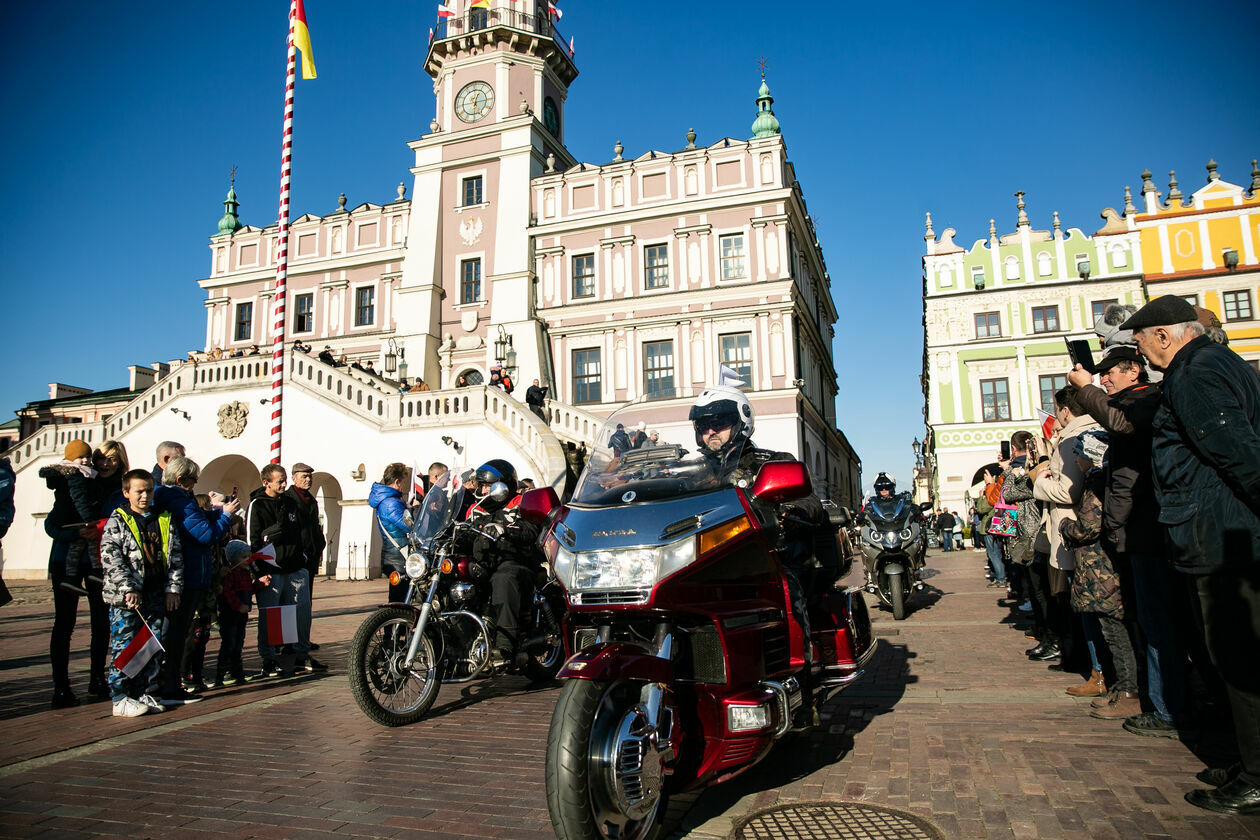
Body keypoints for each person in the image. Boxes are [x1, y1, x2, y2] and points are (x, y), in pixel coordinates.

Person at [1122, 295, 1260, 814]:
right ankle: (1245, 758)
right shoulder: (1223, 362)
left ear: (1164, 335)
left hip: (1219, 534)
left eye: (1141, 340)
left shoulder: (1194, 373)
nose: (1139, 350)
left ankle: (1257, 775)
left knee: (1239, 658)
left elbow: (1238, 452)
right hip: (1220, 528)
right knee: (1230, 656)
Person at [688, 385, 828, 722]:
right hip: (702, 564)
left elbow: (809, 502)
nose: (710, 431)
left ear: (741, 422)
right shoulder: (689, 473)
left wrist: (789, 512)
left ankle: (801, 691)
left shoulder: (772, 462)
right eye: (704, 425)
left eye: (719, 422)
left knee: (787, 592)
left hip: (763, 562)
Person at [1068, 344, 1187, 734]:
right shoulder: (1134, 402)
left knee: (1154, 623)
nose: (1104, 378)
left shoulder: (1144, 400)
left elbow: (1120, 423)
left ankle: (1165, 706)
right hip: (1132, 530)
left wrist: (1086, 388)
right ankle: (1151, 698)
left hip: (1145, 528)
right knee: (1141, 620)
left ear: (1134, 371)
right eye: (1100, 374)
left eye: (1110, 373)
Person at [1059, 430, 1140, 721]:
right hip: (1104, 567)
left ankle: (1129, 691)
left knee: (1115, 632)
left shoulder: (1096, 482)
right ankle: (1123, 688)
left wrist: (1066, 526)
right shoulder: (1102, 480)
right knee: (1116, 631)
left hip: (1101, 570)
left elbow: (1088, 526)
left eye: (1079, 453)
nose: (1076, 459)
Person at [100, 469, 184, 717]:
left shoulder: (164, 518)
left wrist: (173, 588)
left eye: (149, 490)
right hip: (127, 598)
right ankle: (120, 696)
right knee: (125, 646)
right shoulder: (118, 520)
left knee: (151, 645)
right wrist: (128, 588)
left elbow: (175, 557)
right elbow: (111, 558)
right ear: (127, 493)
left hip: (156, 594)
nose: (145, 496)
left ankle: (143, 691)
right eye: (139, 491)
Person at [1031, 385, 1103, 668]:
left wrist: (1040, 479)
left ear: (1065, 410)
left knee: (1078, 599)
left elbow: (1068, 491)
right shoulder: (1093, 429)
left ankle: (1089, 664)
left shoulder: (1071, 437)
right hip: (1082, 528)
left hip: (1072, 529)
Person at [155, 456, 236, 701]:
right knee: (176, 635)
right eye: (193, 479)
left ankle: (169, 683)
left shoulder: (178, 499)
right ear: (181, 479)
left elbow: (197, 522)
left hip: (187, 575)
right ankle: (170, 685)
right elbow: (204, 535)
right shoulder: (178, 500)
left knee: (176, 633)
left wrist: (216, 513)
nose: (196, 483)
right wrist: (226, 517)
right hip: (187, 576)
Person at [40, 439, 110, 707]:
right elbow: (51, 524)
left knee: (100, 621)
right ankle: (61, 687)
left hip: (93, 559)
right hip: (64, 559)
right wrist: (74, 532)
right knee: (64, 623)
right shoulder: (68, 484)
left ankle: (97, 679)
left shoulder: (98, 485)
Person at [465, 459, 542, 671]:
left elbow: (530, 531)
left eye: (488, 485)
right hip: (484, 563)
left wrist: (505, 530)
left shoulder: (520, 502)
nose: (483, 489)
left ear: (503, 486)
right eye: (481, 485)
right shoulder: (474, 508)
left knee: (503, 579)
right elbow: (464, 534)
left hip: (514, 561)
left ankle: (505, 646)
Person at [247, 464, 323, 674]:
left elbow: (301, 532)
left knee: (300, 613)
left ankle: (301, 653)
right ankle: (269, 658)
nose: (284, 484)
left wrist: (304, 556)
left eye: (284, 480)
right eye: (279, 481)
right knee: (271, 616)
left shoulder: (290, 503)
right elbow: (252, 540)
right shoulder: (258, 505)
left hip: (296, 566)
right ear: (266, 483)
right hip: (271, 569)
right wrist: (259, 572)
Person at [214, 539, 265, 687]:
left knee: (238, 643)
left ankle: (237, 672)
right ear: (234, 558)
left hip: (242, 614)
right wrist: (238, 606)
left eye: (248, 556)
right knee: (229, 643)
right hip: (230, 614)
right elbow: (228, 594)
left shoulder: (245, 573)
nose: (247, 560)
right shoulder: (231, 574)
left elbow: (249, 590)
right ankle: (222, 674)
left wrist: (260, 585)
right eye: (243, 557)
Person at [286, 462, 326, 649]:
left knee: (305, 603)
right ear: (294, 478)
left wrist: (319, 543)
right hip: (293, 556)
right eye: (304, 476)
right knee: (291, 601)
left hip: (309, 557)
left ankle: (302, 639)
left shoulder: (311, 500)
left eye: (310, 476)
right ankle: (287, 641)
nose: (308, 479)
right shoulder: (288, 499)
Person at [369, 463, 411, 603]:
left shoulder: (386, 500)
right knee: (399, 600)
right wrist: (415, 510)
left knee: (397, 598)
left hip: (392, 554)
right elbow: (408, 526)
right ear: (397, 482)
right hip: (398, 557)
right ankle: (394, 624)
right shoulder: (390, 503)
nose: (403, 486)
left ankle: (393, 623)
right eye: (403, 482)